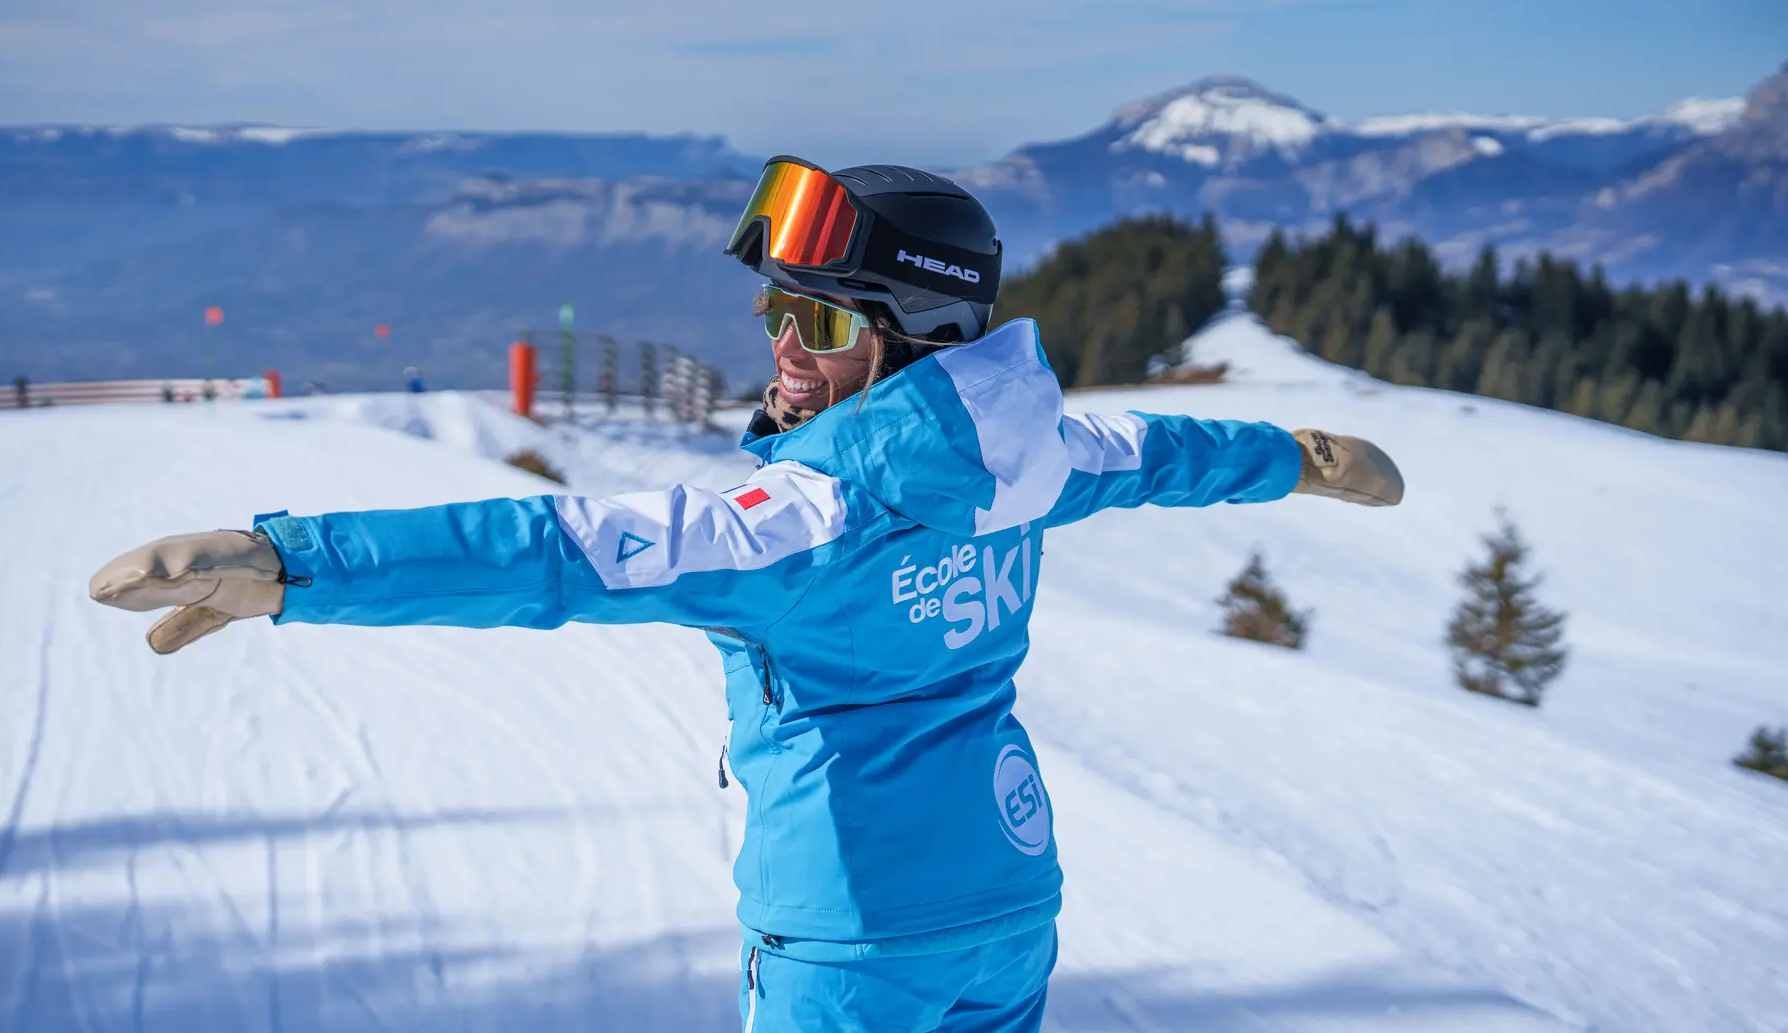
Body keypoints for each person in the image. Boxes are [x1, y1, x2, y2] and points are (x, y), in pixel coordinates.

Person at [88, 158, 1404, 1032]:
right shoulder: (1042, 460)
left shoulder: (802, 522)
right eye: (778, 309)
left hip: (849, 934)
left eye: (820, 323)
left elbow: (562, 551)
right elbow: (1164, 455)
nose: (781, 345)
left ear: (913, 339)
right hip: (1007, 901)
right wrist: (1302, 458)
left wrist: (296, 563)